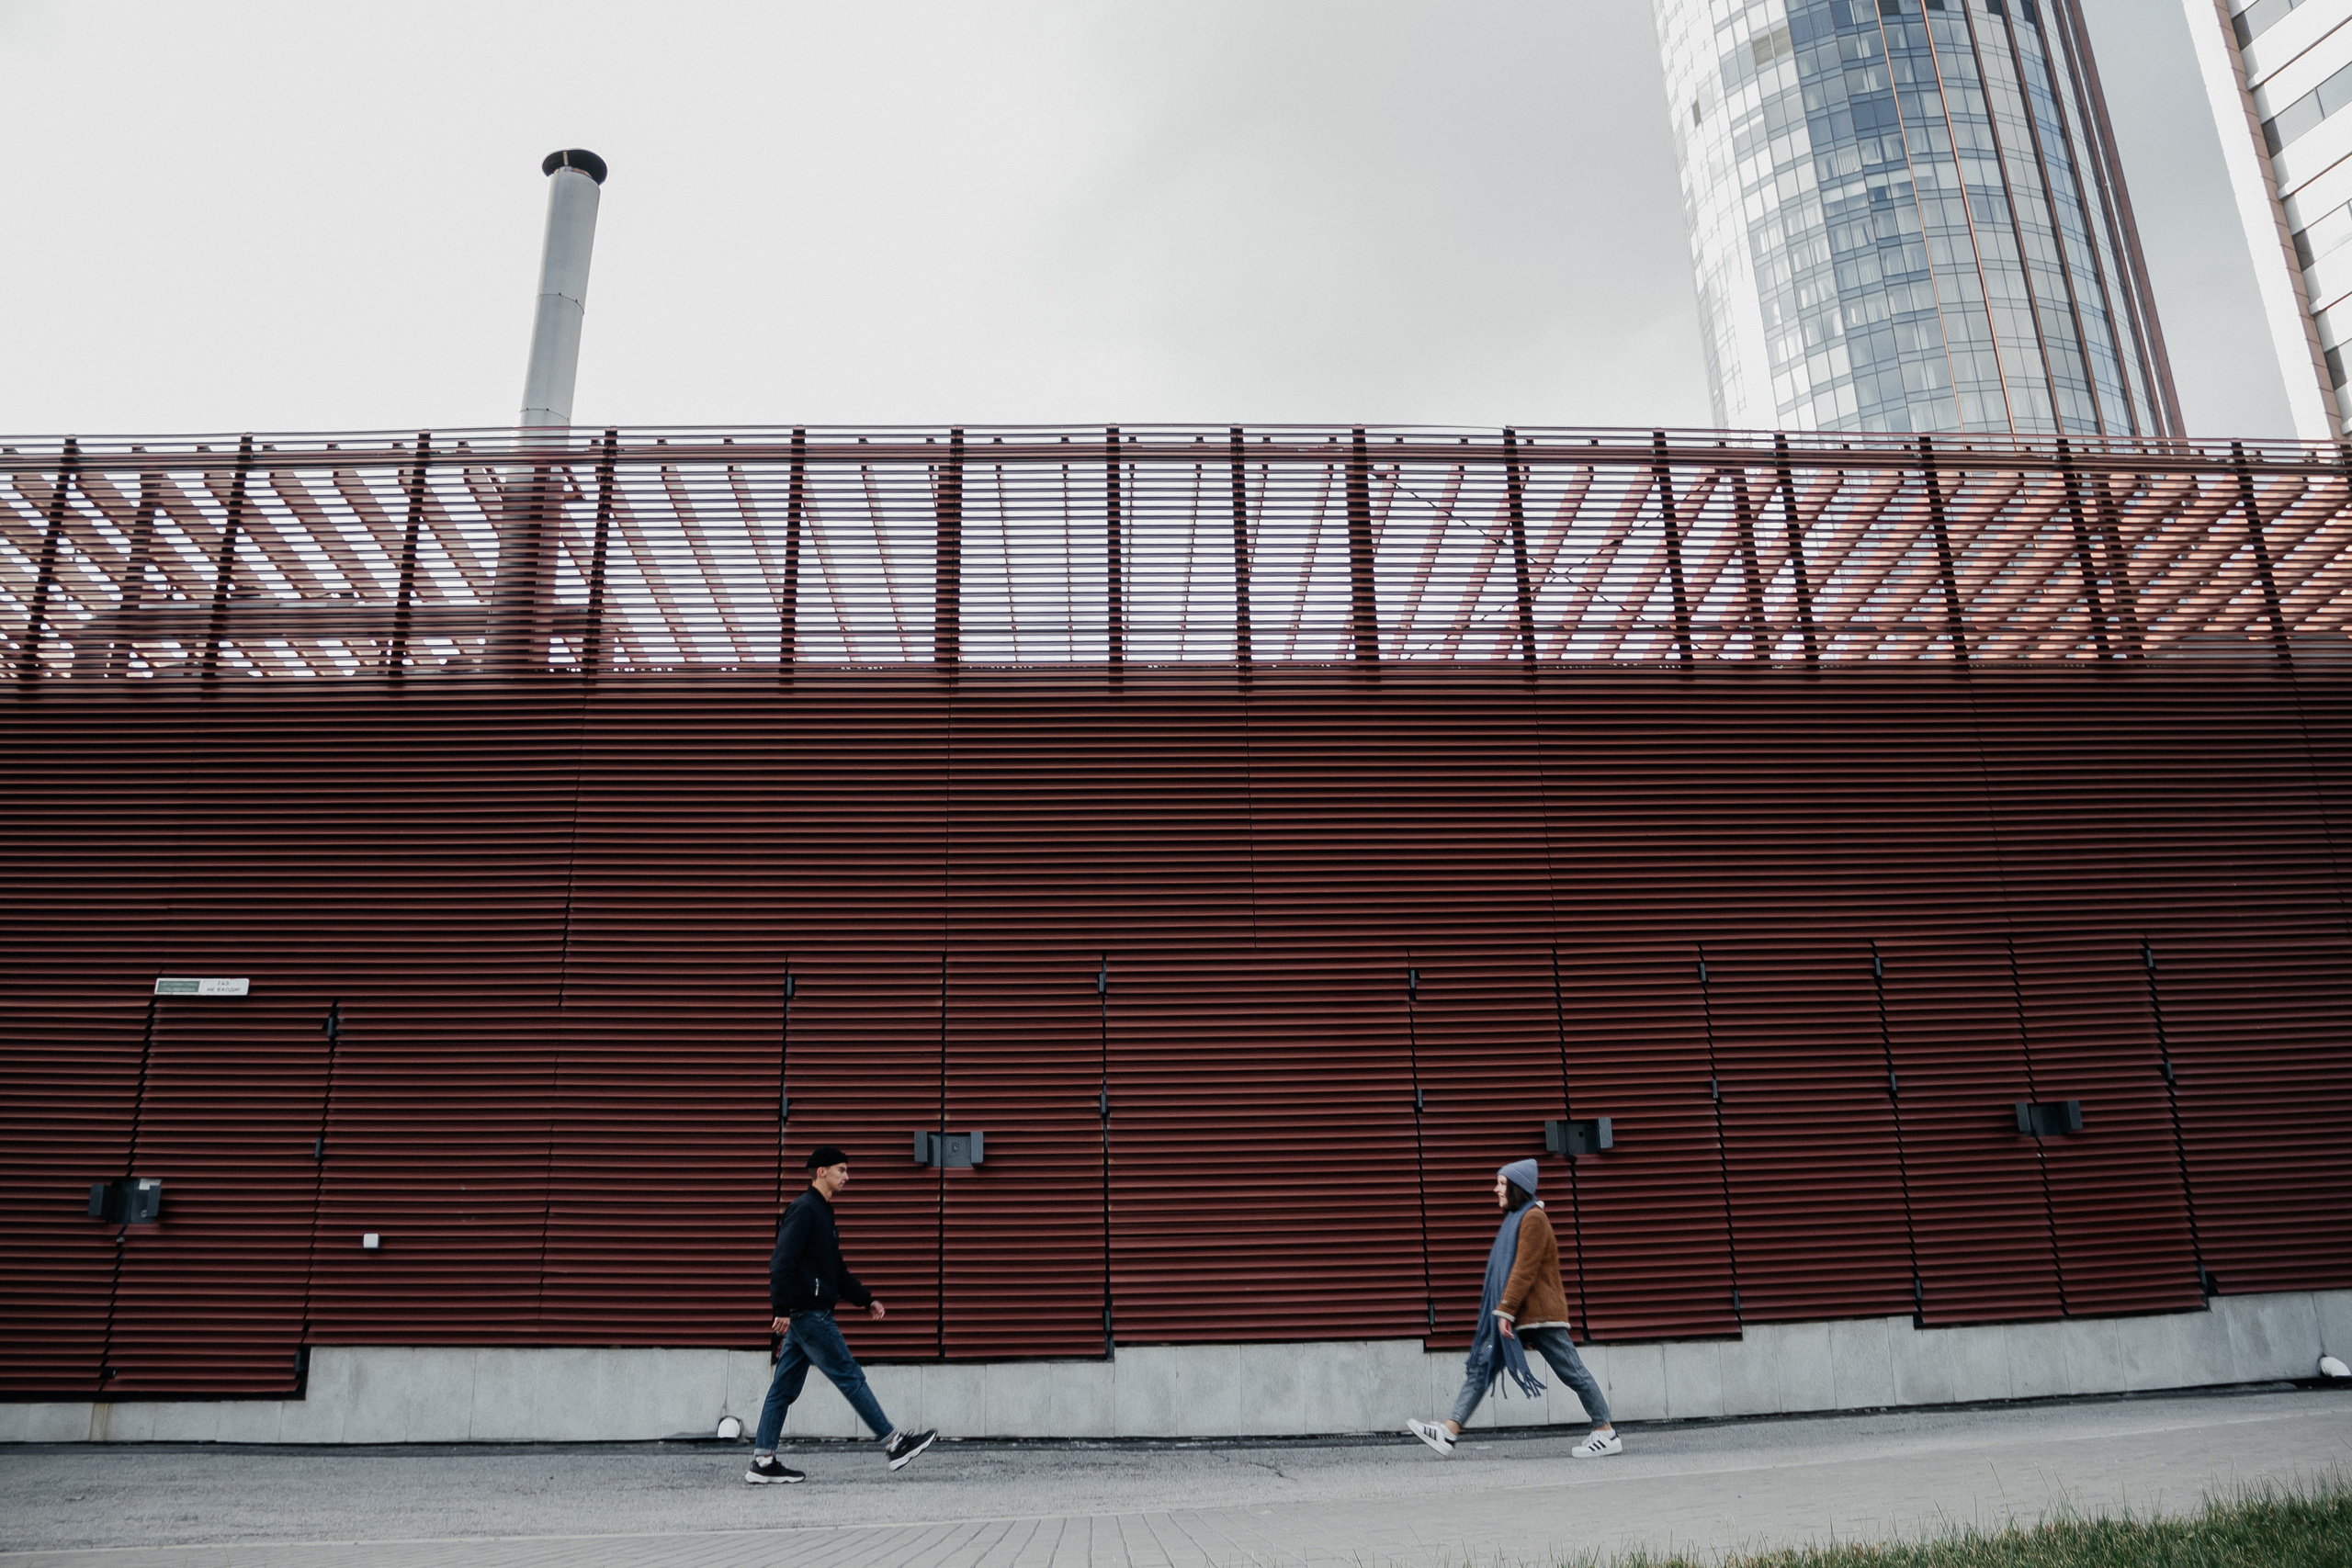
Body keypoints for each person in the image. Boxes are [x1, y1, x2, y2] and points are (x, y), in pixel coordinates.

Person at [745, 1145, 938, 1484]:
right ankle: (894, 1443)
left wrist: (866, 1300)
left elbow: (835, 1269)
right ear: (821, 1172)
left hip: (809, 1312)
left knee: (783, 1388)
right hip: (809, 1314)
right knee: (849, 1375)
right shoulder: (804, 1210)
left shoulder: (823, 1213)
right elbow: (781, 1261)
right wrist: (781, 1308)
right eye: (841, 1170)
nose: (847, 1176)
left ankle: (762, 1461)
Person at [1407, 1157, 1620, 1459]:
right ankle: (1448, 1431)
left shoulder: (1533, 1219)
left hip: (1538, 1316)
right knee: (1482, 1367)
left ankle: (1605, 1432)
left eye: (1502, 1184)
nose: (1496, 1189)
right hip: (1519, 1315)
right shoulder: (1516, 1219)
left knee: (1572, 1371)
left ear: (1518, 1188)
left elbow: (1524, 1268)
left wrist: (1505, 1310)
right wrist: (1506, 1311)